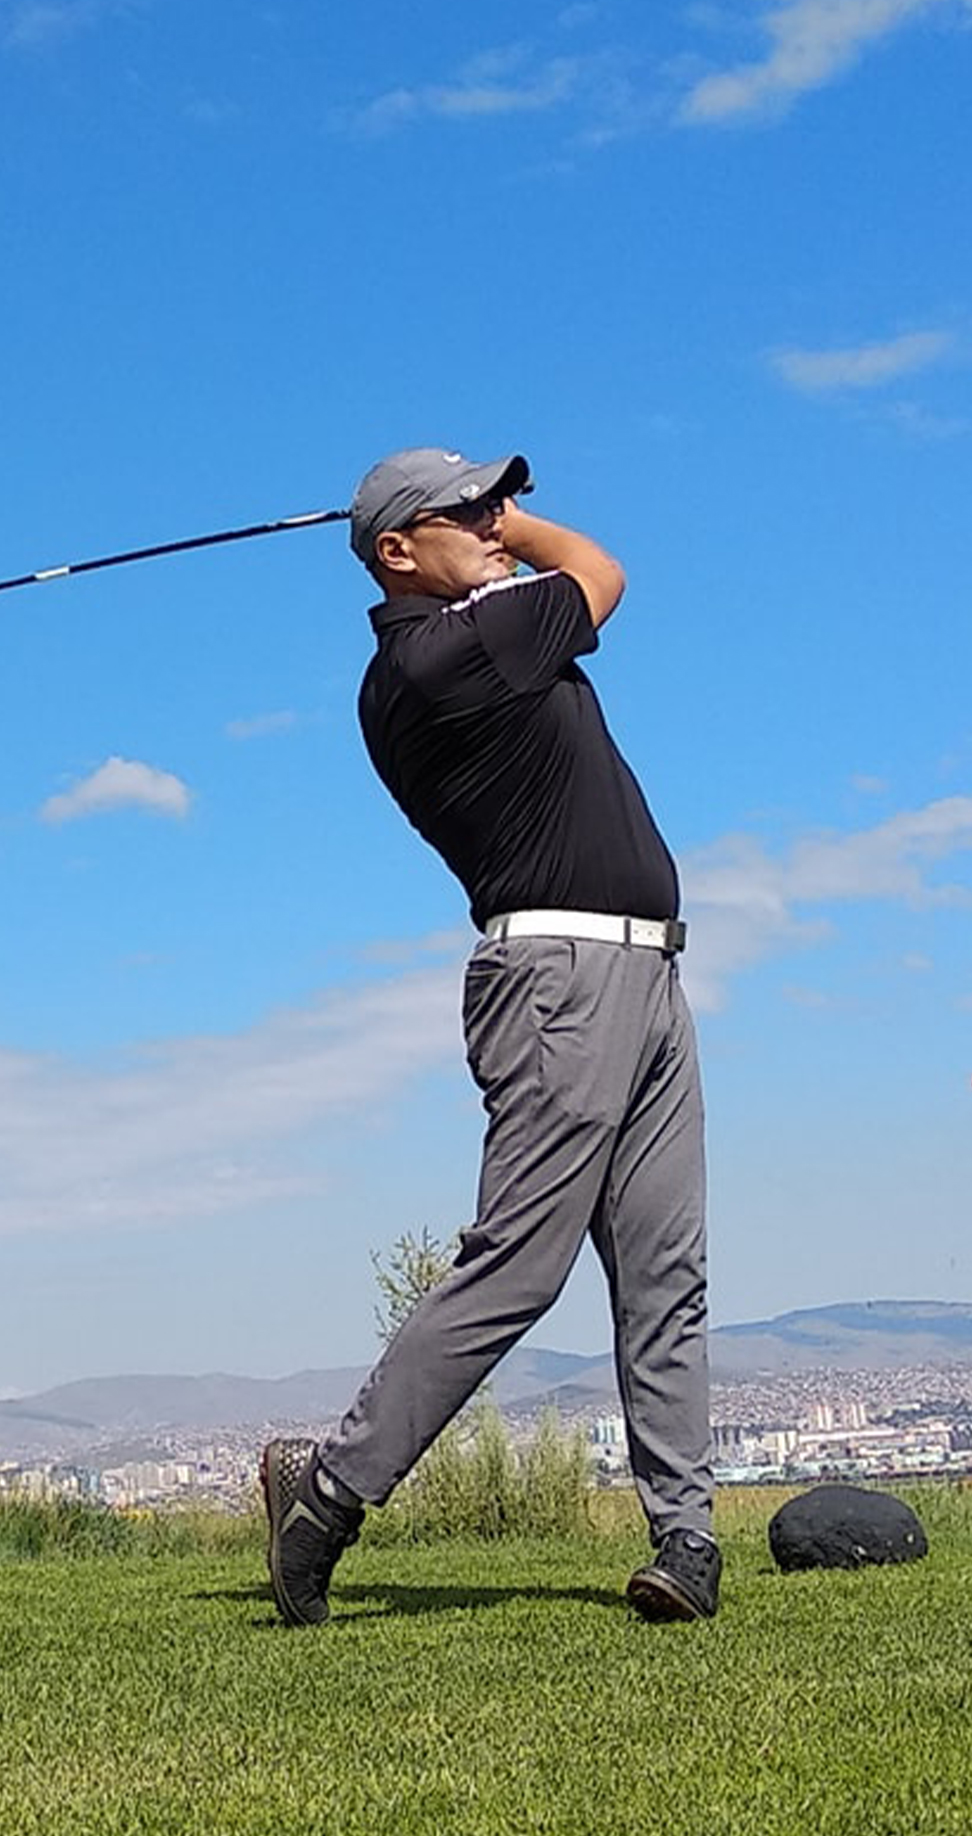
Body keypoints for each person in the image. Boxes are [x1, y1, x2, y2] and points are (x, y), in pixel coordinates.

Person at [261, 446, 718, 1626]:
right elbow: (602, 570)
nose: (494, 520)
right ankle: (326, 1493)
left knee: (663, 1269)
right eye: (466, 508)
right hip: (560, 978)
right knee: (518, 1262)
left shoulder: (471, 634)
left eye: (496, 501)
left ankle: (684, 1541)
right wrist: (517, 530)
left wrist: (480, 525)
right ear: (395, 551)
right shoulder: (444, 651)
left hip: (643, 971)